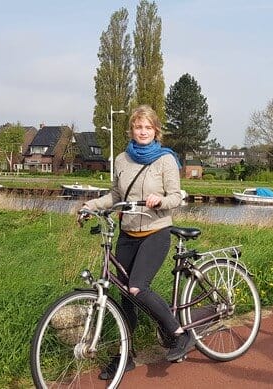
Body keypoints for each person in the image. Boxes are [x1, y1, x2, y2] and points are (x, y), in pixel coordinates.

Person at [79, 105, 191, 379]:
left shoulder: (166, 160)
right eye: (138, 127)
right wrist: (90, 205)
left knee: (138, 287)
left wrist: (160, 201)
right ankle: (125, 355)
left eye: (148, 127)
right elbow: (115, 195)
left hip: (156, 230)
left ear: (155, 131)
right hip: (127, 233)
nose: (143, 132)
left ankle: (178, 334)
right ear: (132, 130)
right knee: (124, 297)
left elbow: (177, 196)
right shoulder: (121, 159)